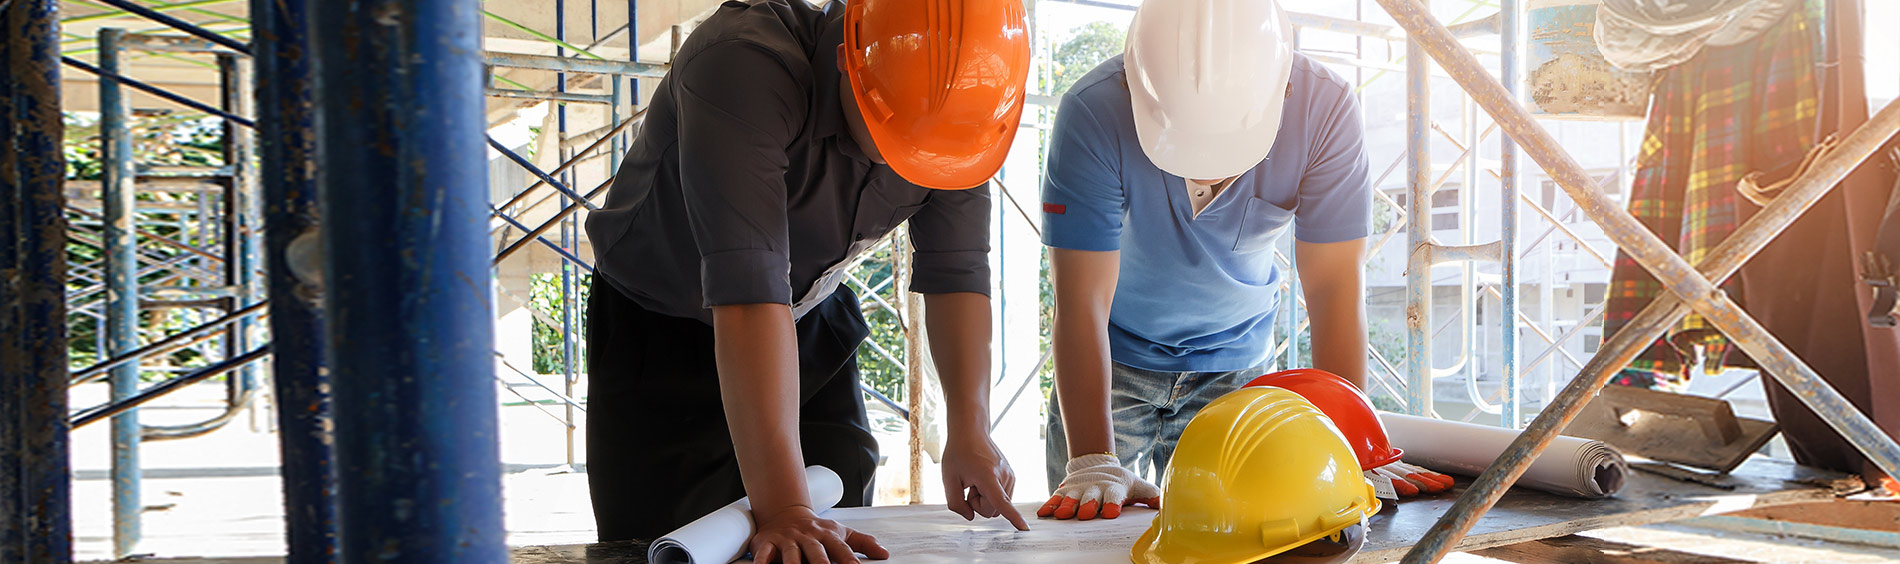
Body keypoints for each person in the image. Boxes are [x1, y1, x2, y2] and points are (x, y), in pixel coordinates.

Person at [582, 0, 1033, 560]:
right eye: (900, 138)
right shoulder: (742, 64)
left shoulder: (964, 114)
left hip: (807, 307)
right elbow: (747, 286)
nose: (915, 166)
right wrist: (785, 508)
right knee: (671, 539)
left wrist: (970, 428)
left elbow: (958, 273)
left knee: (834, 505)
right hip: (659, 327)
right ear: (850, 58)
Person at [1036, 0, 1379, 521]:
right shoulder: (1093, 111)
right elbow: (1080, 298)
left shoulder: (1324, 109)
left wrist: (1355, 443)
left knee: (1238, 534)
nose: (1208, 178)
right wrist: (1092, 460)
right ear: (1137, 84)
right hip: (1110, 362)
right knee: (1089, 535)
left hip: (1237, 364)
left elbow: (1333, 287)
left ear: (1281, 88)